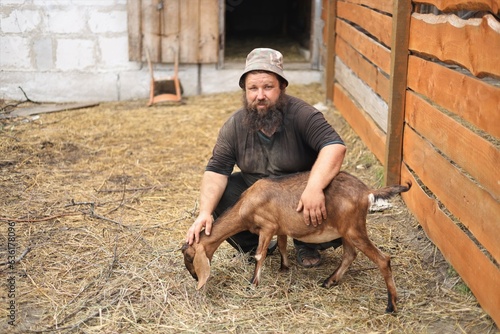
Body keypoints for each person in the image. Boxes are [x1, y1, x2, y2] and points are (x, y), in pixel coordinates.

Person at [185, 48, 346, 267]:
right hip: (261, 197)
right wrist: (204, 212)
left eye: (268, 87)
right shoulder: (235, 125)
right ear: (245, 91)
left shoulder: (303, 115)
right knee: (223, 193)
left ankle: (307, 243)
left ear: (282, 87)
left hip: (301, 195)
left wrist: (315, 187)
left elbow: (334, 147)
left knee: (332, 187)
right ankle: (256, 246)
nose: (260, 95)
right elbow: (216, 170)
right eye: (253, 88)